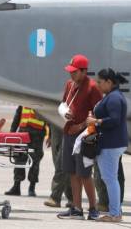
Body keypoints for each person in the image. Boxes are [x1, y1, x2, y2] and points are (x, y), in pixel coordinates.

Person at [57, 54, 102, 220]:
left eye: (75, 72)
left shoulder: (93, 88)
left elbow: (97, 115)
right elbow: (63, 104)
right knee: (72, 172)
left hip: (86, 137)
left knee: (84, 174)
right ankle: (76, 208)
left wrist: (81, 126)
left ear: (84, 71)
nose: (71, 74)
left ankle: (93, 209)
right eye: (70, 71)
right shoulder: (69, 84)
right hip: (69, 133)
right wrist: (64, 112)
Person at [86, 68, 128, 222]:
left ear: (109, 82)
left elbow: (115, 120)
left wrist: (96, 121)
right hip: (112, 143)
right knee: (111, 178)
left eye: (100, 82)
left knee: (110, 178)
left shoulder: (114, 98)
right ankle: (116, 211)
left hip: (111, 144)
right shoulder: (112, 96)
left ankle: (115, 214)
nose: (97, 84)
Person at [4, 106, 47, 197]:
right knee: (19, 158)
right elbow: (17, 116)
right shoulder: (24, 98)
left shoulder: (43, 99)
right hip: (23, 133)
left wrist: (50, 135)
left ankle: (32, 187)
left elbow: (50, 119)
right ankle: (16, 186)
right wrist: (12, 133)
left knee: (35, 161)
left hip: (37, 134)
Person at [44, 124, 73, 208]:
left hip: (69, 130)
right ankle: (72, 198)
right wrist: (50, 136)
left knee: (61, 166)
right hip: (56, 131)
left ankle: (55, 197)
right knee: (59, 166)